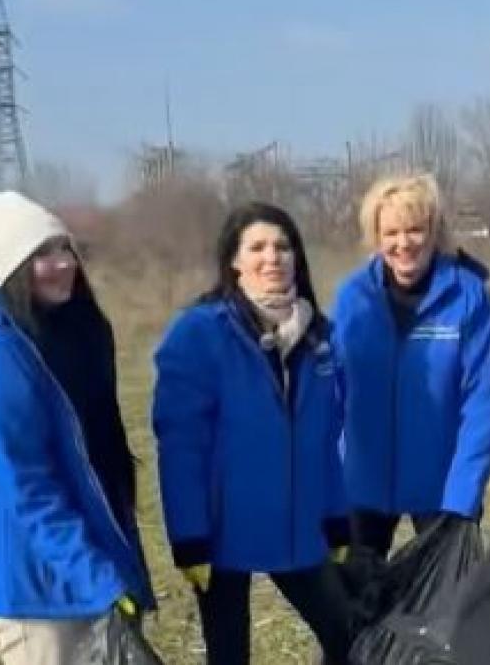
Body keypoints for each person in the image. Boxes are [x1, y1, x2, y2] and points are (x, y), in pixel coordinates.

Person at [0, 191, 156, 665]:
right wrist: (100, 581)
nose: (62, 263)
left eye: (64, 248)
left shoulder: (75, 335)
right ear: (9, 268)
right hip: (40, 593)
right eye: (40, 254)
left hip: (95, 572)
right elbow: (29, 494)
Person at [152, 202, 353, 665]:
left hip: (298, 523)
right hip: (222, 533)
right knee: (229, 656)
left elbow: (325, 439)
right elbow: (181, 447)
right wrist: (189, 538)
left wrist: (336, 515)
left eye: (283, 246)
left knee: (346, 635)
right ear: (234, 261)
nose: (272, 257)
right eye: (257, 247)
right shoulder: (198, 334)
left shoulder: (318, 336)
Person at [330, 173, 490, 559]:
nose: (403, 243)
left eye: (415, 230)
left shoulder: (468, 295)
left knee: (446, 607)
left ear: (434, 232)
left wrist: (463, 497)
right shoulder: (352, 297)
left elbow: (483, 402)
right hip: (362, 483)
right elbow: (331, 391)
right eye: (391, 232)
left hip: (443, 486)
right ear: (375, 236)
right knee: (356, 603)